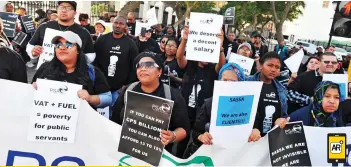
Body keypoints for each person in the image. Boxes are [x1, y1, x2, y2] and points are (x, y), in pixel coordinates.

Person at [110, 51, 190, 155]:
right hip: (127, 153)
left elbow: (184, 128)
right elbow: (114, 121)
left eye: (149, 65)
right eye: (139, 66)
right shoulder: (128, 90)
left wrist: (173, 136)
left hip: (158, 156)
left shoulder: (172, 95)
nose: (143, 68)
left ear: (159, 71)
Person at [175, 25, 225, 158]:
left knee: (198, 147)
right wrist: (184, 40)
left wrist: (220, 47)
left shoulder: (213, 71)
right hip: (185, 113)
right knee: (180, 146)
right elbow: (179, 57)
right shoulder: (190, 65)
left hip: (201, 117)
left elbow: (222, 66)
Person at [32, 31, 111, 110]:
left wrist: (90, 98)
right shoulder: (44, 68)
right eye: (58, 44)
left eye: (68, 44)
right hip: (47, 118)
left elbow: (107, 98)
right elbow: (31, 91)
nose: (62, 48)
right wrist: (32, 89)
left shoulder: (92, 71)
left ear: (78, 50)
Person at [185, 63, 245, 157]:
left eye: (233, 81)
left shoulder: (248, 106)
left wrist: (255, 131)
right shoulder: (209, 104)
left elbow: (254, 127)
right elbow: (196, 131)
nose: (228, 84)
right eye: (224, 80)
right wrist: (201, 137)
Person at [93, 16, 139, 111]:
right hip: (101, 88)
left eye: (121, 23)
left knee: (115, 116)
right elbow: (95, 61)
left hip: (119, 90)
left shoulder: (130, 44)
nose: (118, 26)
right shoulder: (102, 40)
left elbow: (134, 66)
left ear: (125, 26)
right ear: (112, 24)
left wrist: (126, 85)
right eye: (116, 23)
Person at [27, 1, 96, 64]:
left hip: (73, 74)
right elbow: (30, 45)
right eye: (61, 7)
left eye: (68, 8)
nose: (63, 10)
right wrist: (33, 51)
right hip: (46, 72)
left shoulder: (83, 32)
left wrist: (80, 60)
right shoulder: (44, 27)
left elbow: (91, 54)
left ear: (75, 13)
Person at [246, 52, 289, 141]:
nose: (273, 70)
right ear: (261, 66)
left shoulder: (282, 89)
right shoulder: (246, 82)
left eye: (277, 67)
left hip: (270, 140)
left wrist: (281, 122)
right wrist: (251, 128)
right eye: (270, 65)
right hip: (248, 138)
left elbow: (284, 115)